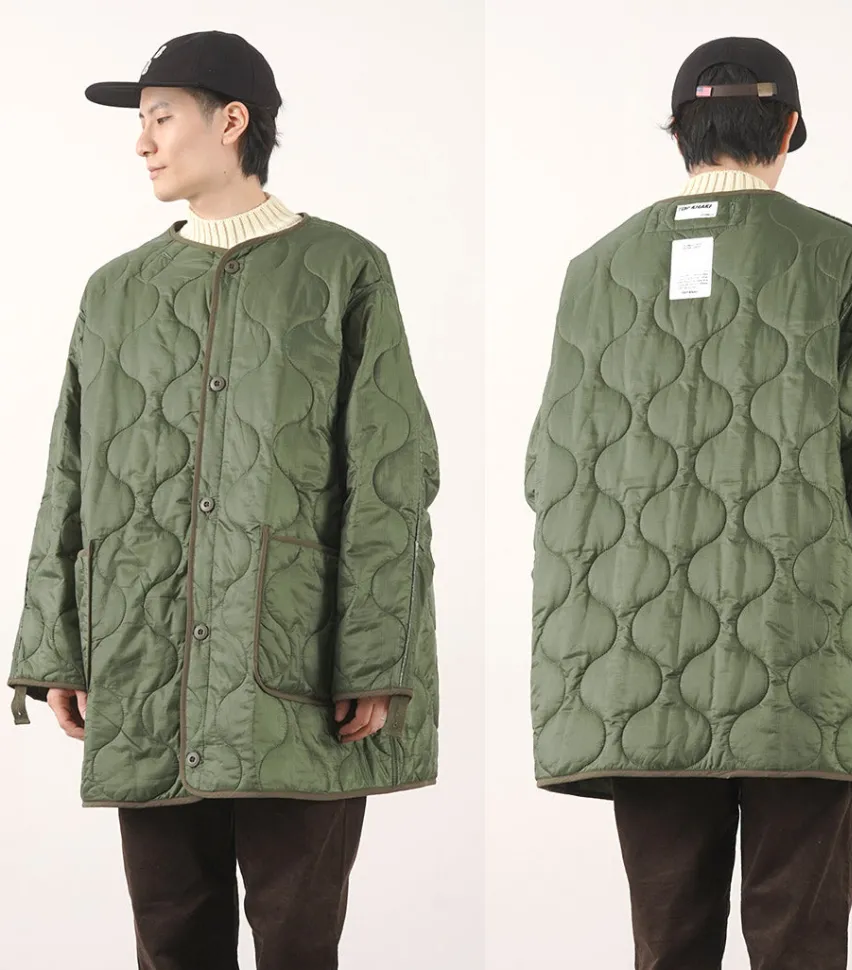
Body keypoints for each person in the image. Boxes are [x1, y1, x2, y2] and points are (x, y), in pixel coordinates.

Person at [524, 35, 852, 970]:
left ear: (677, 130)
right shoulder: (838, 258)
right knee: (801, 945)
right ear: (790, 127)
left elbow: (551, 475)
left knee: (667, 946)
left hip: (635, 672)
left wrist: (586, 663)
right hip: (806, 663)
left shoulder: (594, 271)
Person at [7, 30, 440, 970]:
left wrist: (376, 655)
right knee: (170, 940)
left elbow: (391, 473)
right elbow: (69, 472)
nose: (142, 142)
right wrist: (55, 646)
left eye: (161, 118)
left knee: (298, 941)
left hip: (295, 666)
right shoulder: (115, 292)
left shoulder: (343, 269)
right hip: (146, 662)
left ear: (232, 120)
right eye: (140, 122)